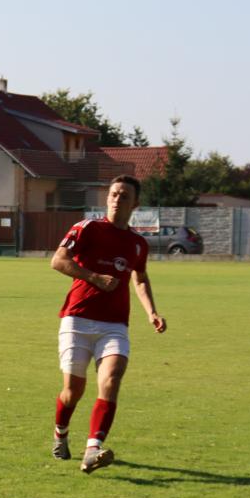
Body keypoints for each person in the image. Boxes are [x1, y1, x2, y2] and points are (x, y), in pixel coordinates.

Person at [50, 175, 166, 473]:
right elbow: (58, 261)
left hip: (114, 324)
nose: (117, 199)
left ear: (135, 204)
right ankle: (61, 433)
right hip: (77, 319)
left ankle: (93, 449)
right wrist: (94, 277)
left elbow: (140, 278)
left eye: (124, 195)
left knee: (111, 380)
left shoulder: (138, 244)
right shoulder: (87, 228)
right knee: (73, 391)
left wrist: (151, 312)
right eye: (114, 194)